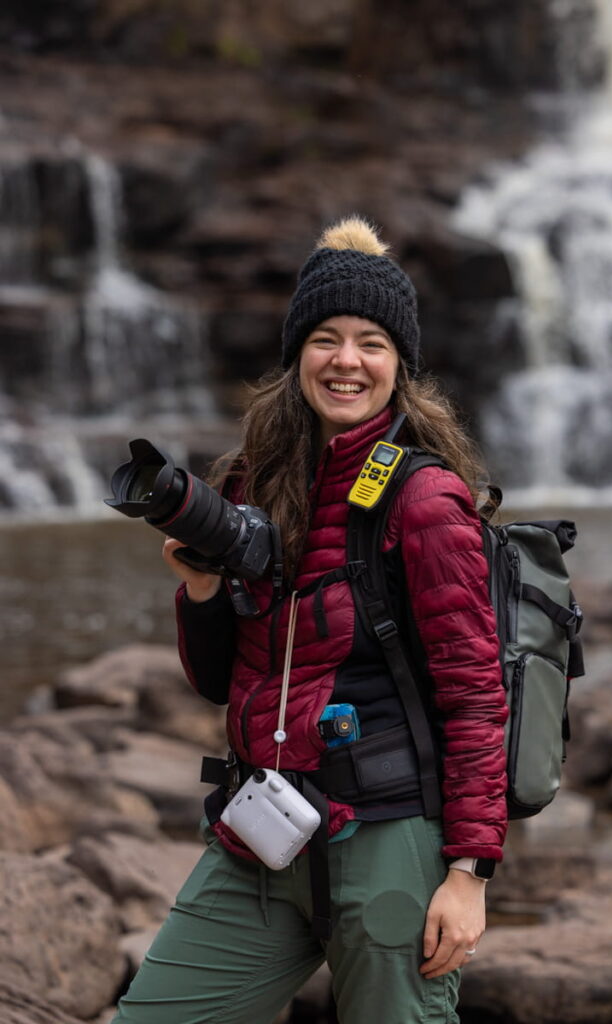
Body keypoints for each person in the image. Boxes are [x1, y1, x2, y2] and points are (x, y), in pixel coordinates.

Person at [112, 217, 508, 1024]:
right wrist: (199, 594)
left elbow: (474, 695)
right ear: (297, 356)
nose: (346, 361)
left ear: (400, 366)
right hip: (263, 829)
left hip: (389, 837)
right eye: (325, 339)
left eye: (371, 343)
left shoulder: (424, 499)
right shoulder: (254, 481)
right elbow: (218, 679)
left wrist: (468, 873)